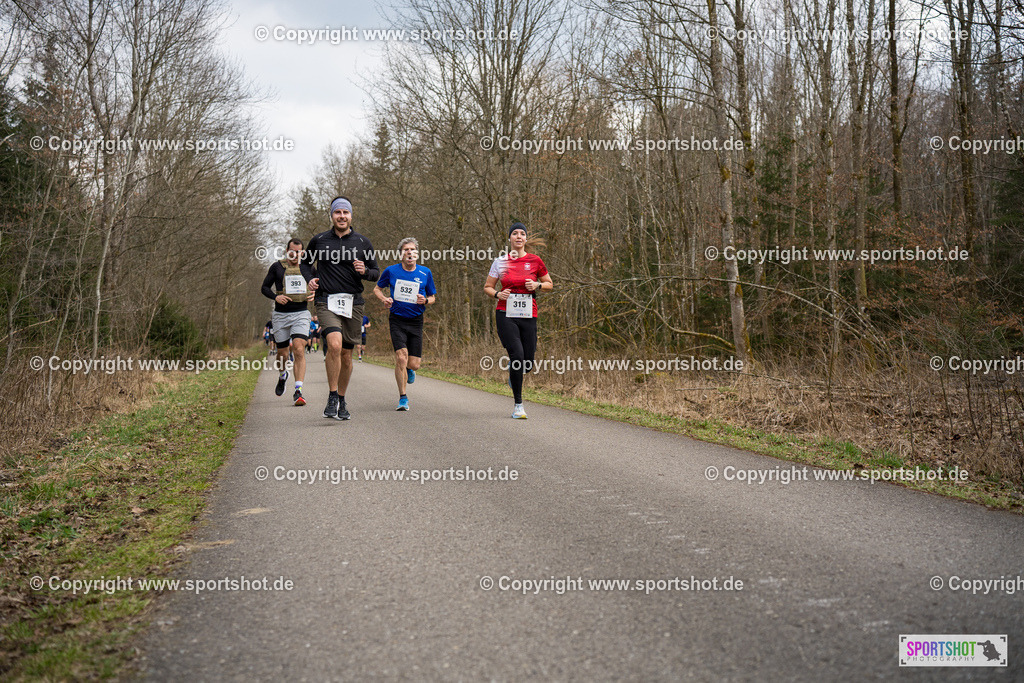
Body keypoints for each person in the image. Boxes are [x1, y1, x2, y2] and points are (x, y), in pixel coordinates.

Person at [304, 196, 380, 420]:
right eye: (338, 212)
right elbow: (305, 262)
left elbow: (376, 272)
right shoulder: (318, 240)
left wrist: (364, 271)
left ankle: (343, 399)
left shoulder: (363, 242)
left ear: (351, 216)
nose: (342, 216)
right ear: (332, 215)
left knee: (347, 355)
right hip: (326, 300)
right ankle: (332, 395)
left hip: (353, 303)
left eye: (345, 213)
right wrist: (310, 278)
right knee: (334, 345)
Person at [483, 222, 552, 419]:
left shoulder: (535, 261)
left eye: (522, 233)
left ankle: (515, 373)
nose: (519, 236)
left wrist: (537, 285)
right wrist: (498, 294)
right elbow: (487, 286)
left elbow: (549, 284)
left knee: (527, 363)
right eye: (515, 233)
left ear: (526, 239)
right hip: (506, 314)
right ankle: (518, 406)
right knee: (517, 356)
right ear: (510, 239)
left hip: (529, 315)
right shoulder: (500, 261)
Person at [374, 238, 436, 411]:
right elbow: (377, 289)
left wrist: (425, 301)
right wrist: (384, 299)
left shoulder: (425, 272)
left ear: (417, 253)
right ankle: (403, 397)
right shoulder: (391, 271)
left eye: (413, 249)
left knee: (414, 364)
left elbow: (433, 297)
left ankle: (410, 369)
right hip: (397, 319)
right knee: (401, 357)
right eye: (406, 250)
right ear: (401, 253)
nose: (409, 252)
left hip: (416, 321)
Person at [261, 238, 316, 406]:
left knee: (299, 348)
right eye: (292, 251)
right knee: (282, 353)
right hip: (281, 315)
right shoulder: (277, 267)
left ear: (303, 253)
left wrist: (316, 294)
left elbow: (320, 285)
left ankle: (298, 390)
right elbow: (264, 287)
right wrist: (276, 296)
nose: (295, 255)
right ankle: (283, 374)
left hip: (301, 313)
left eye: (299, 252)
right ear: (287, 251)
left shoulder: (309, 268)